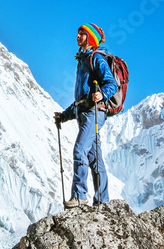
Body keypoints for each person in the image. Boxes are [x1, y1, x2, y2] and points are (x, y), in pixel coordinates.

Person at [54, 23, 117, 208]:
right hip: (86, 113)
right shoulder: (83, 60)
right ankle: (103, 201)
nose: (78, 36)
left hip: (94, 113)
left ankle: (80, 196)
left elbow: (111, 84)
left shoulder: (96, 58)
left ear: (90, 38)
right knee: (95, 159)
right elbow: (80, 100)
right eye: (78, 33)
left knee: (79, 150)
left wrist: (101, 94)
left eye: (82, 33)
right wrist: (63, 116)